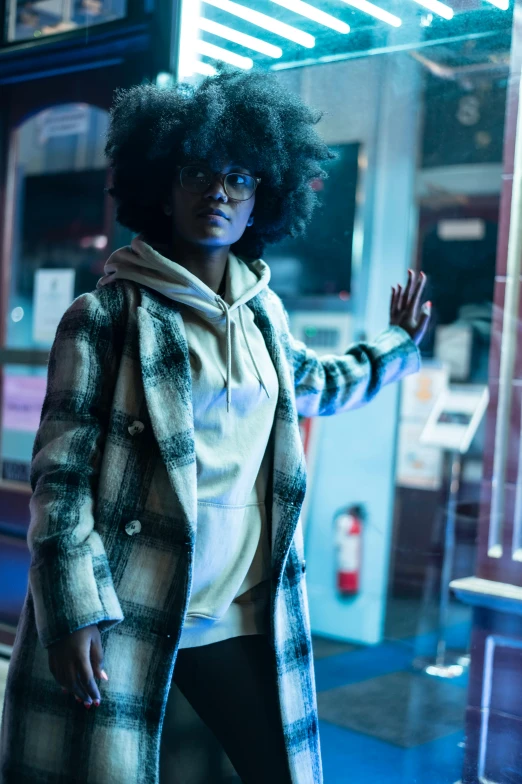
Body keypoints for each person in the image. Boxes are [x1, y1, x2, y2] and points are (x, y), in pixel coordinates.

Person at [0, 68, 430, 784]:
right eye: (197, 171)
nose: (219, 191)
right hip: (131, 611)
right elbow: (62, 478)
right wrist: (72, 611)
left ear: (265, 193)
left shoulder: (263, 314)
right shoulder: (106, 318)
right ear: (162, 186)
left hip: (241, 614)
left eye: (240, 176)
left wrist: (396, 344)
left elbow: (318, 384)